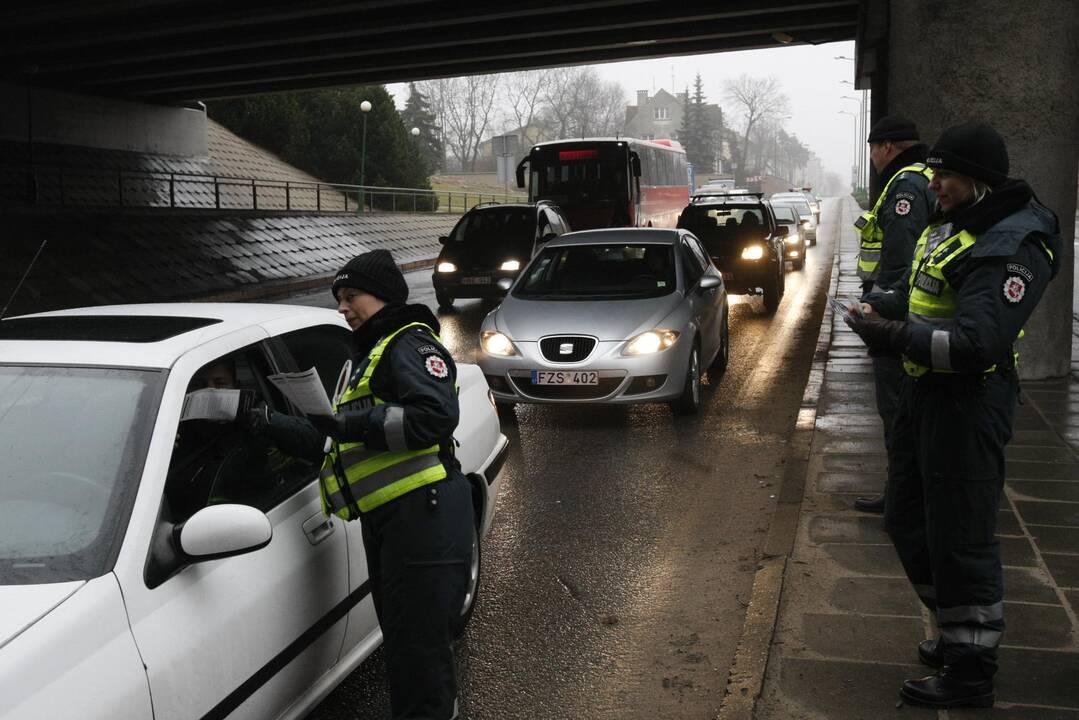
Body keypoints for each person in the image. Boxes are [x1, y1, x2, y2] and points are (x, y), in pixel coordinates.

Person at [847, 121, 1061, 708]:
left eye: (945, 175)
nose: (934, 184)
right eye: (935, 172)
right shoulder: (957, 228)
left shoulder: (1012, 244)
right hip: (926, 399)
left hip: (968, 405)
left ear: (979, 182)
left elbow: (975, 345)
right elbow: (926, 296)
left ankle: (970, 669)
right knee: (907, 517)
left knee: (961, 537)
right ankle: (954, 630)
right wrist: (882, 306)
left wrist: (889, 335)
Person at [246, 248, 473, 720]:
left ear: (385, 297)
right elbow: (333, 443)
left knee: (419, 655)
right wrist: (261, 419)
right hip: (394, 520)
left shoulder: (410, 343)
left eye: (352, 296)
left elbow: (434, 417)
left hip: (422, 516)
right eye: (339, 298)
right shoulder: (368, 355)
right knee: (406, 650)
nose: (343, 308)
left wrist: (350, 424)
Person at [852, 116, 936, 514]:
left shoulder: (905, 185)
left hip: (894, 317)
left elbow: (901, 259)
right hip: (905, 314)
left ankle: (902, 502)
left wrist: (878, 311)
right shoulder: (922, 178)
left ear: (886, 147)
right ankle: (906, 495)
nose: (871, 157)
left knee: (898, 413)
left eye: (871, 149)